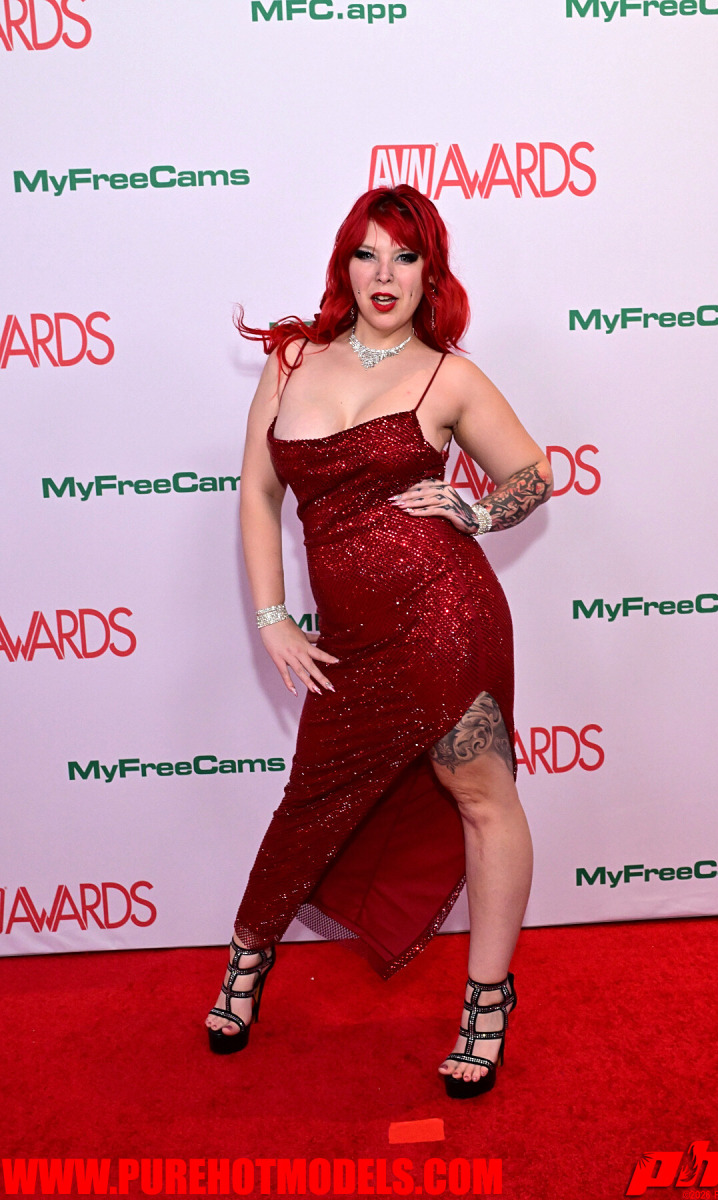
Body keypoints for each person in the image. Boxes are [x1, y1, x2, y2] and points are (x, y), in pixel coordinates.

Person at [206, 184, 553, 1098]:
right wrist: (273, 615)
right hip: (348, 639)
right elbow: (258, 493)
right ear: (345, 266)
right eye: (367, 253)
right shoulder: (292, 359)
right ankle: (247, 957)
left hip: (447, 619)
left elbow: (533, 472)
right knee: (310, 800)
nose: (385, 273)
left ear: (430, 272)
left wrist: (477, 511)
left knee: (482, 796)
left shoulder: (448, 378)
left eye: (405, 255)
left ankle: (487, 1002)